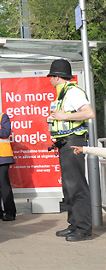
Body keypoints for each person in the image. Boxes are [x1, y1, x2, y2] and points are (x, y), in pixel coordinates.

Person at [47, 58, 95, 242]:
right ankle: (74, 224)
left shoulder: (73, 92)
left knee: (77, 187)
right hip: (65, 143)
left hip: (73, 143)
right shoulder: (63, 93)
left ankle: (83, 229)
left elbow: (89, 113)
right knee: (68, 187)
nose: (50, 80)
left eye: (51, 76)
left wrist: (64, 115)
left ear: (58, 77)